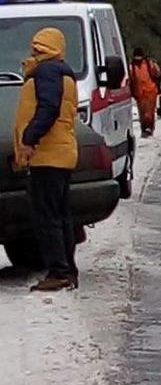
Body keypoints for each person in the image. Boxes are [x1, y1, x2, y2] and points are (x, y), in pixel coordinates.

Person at [14, 27, 79, 291]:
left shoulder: (47, 72)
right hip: (60, 153)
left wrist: (29, 138)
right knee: (61, 215)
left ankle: (59, 271)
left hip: (49, 154)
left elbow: (48, 109)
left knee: (48, 216)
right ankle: (67, 269)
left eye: (39, 46)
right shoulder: (61, 73)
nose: (34, 49)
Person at [129, 47, 161, 138]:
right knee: (142, 113)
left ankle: (149, 128)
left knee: (149, 112)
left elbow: (157, 74)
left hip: (150, 91)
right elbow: (131, 80)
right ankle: (144, 129)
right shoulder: (132, 67)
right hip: (139, 93)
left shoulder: (149, 64)